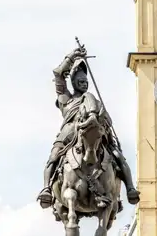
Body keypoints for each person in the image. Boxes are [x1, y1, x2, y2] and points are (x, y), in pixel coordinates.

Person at [38, 45, 139, 209]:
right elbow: (58, 74)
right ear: (74, 83)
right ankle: (46, 189)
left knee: (118, 156)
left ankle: (129, 188)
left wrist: (102, 120)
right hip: (69, 134)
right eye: (80, 82)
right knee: (54, 157)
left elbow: (108, 120)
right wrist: (72, 57)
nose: (84, 84)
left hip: (97, 133)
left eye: (86, 82)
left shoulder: (94, 101)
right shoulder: (66, 98)